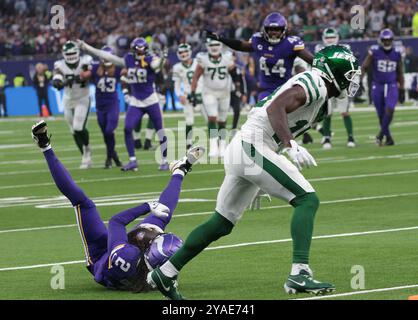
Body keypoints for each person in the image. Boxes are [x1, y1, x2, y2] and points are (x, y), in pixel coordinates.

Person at [147, 45, 361, 300]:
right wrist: (291, 145)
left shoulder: (321, 94)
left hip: (248, 149)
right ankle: (299, 272)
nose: (351, 82)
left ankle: (166, 272)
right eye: (348, 75)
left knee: (221, 223)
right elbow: (275, 108)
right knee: (307, 199)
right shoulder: (315, 82)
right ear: (333, 73)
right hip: (252, 146)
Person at [31, 119, 205, 292]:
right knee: (163, 215)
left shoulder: (126, 256)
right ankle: (180, 170)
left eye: (154, 242)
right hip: (135, 261)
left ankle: (44, 145)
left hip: (101, 256)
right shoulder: (160, 274)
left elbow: (116, 221)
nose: (154, 238)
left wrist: (147, 206)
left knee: (83, 203)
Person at [206, 12, 314, 147]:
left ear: (283, 30)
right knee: (259, 116)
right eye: (271, 29)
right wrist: (221, 39)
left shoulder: (291, 43)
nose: (274, 33)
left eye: (277, 29)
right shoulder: (258, 41)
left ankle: (289, 142)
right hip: (266, 89)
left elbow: (311, 59)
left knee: (287, 116)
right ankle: (260, 144)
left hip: (285, 88)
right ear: (265, 30)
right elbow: (240, 45)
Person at [79, 38, 169, 171]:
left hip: (151, 99)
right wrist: (87, 47)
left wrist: (162, 59)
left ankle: (164, 160)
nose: (140, 52)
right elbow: (106, 55)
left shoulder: (150, 59)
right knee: (127, 128)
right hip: (136, 100)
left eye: (142, 49)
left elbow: (156, 66)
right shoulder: (128, 59)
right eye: (138, 49)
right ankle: (133, 160)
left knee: (160, 129)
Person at [190, 38, 235, 158]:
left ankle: (223, 146)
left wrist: (239, 89)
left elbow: (235, 74)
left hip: (225, 92)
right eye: (212, 45)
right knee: (212, 117)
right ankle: (214, 146)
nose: (214, 47)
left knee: (222, 120)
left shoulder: (227, 57)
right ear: (207, 46)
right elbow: (195, 77)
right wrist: (193, 92)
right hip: (209, 92)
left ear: (220, 45)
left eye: (216, 44)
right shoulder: (203, 58)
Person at [52, 40, 93, 169]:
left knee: (78, 127)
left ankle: (87, 149)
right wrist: (57, 81)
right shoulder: (59, 64)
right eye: (68, 54)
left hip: (82, 98)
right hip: (68, 99)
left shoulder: (85, 60)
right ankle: (84, 156)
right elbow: (57, 75)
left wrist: (79, 77)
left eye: (73, 53)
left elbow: (89, 74)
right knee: (73, 130)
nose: (70, 56)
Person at [361, 28, 405, 146]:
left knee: (390, 109)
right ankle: (389, 138)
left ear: (392, 40)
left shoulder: (397, 53)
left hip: (391, 85)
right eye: (385, 40)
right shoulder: (374, 52)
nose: (387, 42)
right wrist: (359, 81)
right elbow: (364, 66)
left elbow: (400, 71)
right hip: (377, 85)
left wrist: (402, 89)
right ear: (381, 40)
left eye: (389, 40)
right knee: (381, 114)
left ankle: (381, 134)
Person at [314, 28, 356, 149]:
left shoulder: (345, 48)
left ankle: (350, 137)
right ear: (323, 38)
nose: (330, 40)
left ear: (337, 37)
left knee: (344, 112)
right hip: (327, 85)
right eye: (328, 38)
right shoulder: (320, 48)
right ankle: (327, 137)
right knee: (328, 113)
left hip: (341, 85)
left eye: (332, 37)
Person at [90, 46, 123, 169]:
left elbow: (127, 73)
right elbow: (83, 75)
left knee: (109, 131)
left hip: (112, 105)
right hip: (100, 106)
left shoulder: (118, 69)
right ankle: (114, 157)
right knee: (106, 134)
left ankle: (109, 158)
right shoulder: (94, 68)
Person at [172, 43, 204, 150]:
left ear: (190, 51)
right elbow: (176, 85)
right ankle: (188, 143)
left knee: (211, 119)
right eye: (181, 52)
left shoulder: (198, 62)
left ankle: (216, 141)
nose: (183, 54)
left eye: (185, 51)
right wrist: (180, 95)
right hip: (188, 96)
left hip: (202, 94)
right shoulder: (177, 67)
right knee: (189, 121)